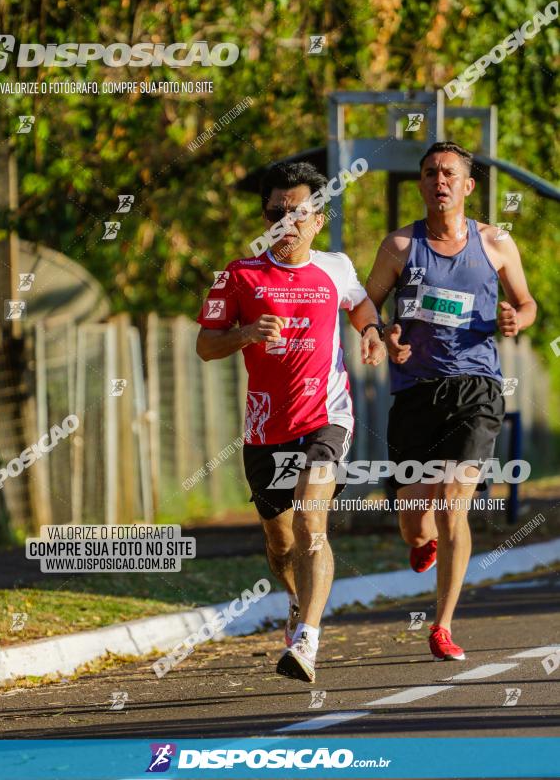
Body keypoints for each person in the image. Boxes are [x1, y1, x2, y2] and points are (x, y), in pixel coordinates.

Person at [196, 161, 386, 682]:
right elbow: (205, 345)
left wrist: (370, 331)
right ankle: (298, 604)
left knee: (310, 523)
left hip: (327, 417)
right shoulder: (237, 275)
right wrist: (246, 333)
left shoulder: (336, 267)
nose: (287, 222)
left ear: (318, 218)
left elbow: (361, 303)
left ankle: (308, 641)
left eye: (298, 212)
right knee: (280, 545)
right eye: (277, 212)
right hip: (264, 428)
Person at [365, 141, 536, 661]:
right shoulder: (398, 246)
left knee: (452, 506)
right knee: (415, 518)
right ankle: (421, 542)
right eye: (429, 173)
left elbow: (527, 303)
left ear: (467, 186)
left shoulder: (496, 242)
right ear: (420, 185)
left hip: (477, 388)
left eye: (448, 173)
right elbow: (368, 305)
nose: (439, 180)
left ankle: (442, 625)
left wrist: (516, 318)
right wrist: (382, 336)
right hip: (416, 391)